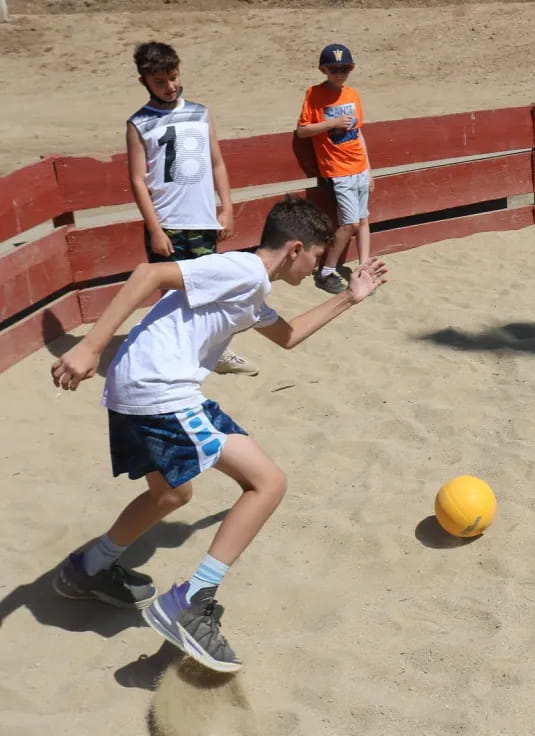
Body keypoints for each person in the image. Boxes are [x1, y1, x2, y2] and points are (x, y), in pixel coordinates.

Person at [50, 196, 388, 672]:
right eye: (317, 255)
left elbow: (289, 337)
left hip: (137, 388)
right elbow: (148, 275)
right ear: (295, 249)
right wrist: (88, 348)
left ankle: (88, 569)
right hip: (160, 391)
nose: (320, 264)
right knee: (267, 484)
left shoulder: (250, 291)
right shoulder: (243, 272)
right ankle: (191, 601)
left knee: (171, 497)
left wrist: (348, 298)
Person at [127, 41, 257, 376]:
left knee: (208, 289)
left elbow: (217, 163)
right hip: (167, 223)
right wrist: (155, 228)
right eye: (160, 81)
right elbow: (139, 181)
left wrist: (226, 207)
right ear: (144, 81)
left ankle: (217, 353)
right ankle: (171, 357)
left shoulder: (200, 112)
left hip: (202, 221)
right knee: (170, 294)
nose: (170, 86)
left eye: (173, 76)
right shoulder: (139, 123)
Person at [295, 43, 374, 294]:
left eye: (345, 68)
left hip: (359, 166)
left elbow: (358, 132)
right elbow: (303, 130)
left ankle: (363, 269)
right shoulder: (314, 94)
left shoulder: (352, 94)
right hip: (338, 170)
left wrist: (369, 168)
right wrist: (333, 123)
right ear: (324, 70)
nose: (340, 73)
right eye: (334, 69)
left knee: (362, 221)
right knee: (349, 223)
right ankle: (326, 271)